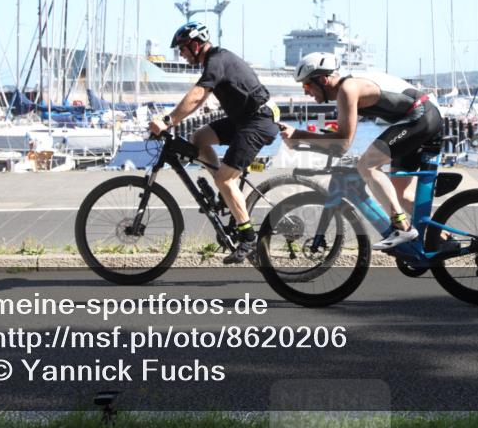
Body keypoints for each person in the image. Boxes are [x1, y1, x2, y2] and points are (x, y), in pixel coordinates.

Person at [280, 52, 443, 250]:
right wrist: (302, 140)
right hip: (422, 117)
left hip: (421, 116)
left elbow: (343, 143)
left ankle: (402, 227)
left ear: (322, 79)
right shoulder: (348, 88)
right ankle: (444, 238)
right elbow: (341, 140)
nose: (306, 92)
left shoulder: (348, 89)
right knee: (401, 195)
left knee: (367, 165)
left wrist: (299, 135)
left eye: (306, 85)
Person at [148, 21, 278, 264]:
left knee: (225, 178)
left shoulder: (217, 59)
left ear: (196, 44)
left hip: (257, 121)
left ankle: (248, 237)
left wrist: (168, 120)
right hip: (243, 120)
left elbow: (198, 95)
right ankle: (225, 194)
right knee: (199, 138)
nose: (181, 54)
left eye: (183, 49)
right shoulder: (213, 61)